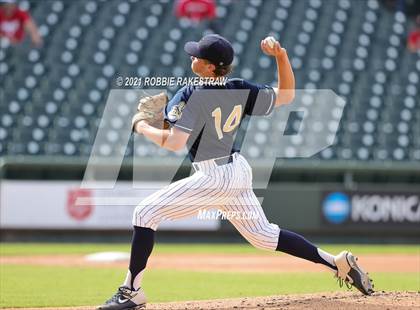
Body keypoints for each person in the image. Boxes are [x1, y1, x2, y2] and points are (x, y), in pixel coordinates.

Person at [98, 34, 373, 310]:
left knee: (144, 213)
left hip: (212, 176)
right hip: (236, 171)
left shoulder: (191, 93)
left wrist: (141, 126)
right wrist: (281, 56)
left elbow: (174, 143)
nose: (192, 57)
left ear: (209, 67)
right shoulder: (239, 88)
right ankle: (336, 263)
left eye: (198, 56)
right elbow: (287, 94)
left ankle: (131, 292)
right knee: (265, 236)